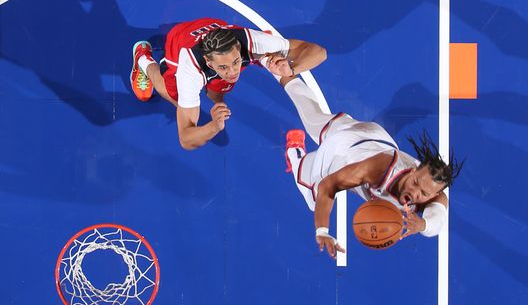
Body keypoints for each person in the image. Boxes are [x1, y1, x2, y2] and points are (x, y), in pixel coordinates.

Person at [280, 76, 464, 259]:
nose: (415, 192)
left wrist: (422, 224)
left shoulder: (433, 194)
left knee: (314, 116)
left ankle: (285, 74)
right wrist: (322, 230)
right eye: (415, 182)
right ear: (414, 171)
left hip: (374, 136)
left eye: (424, 194)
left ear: (433, 195)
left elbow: (437, 221)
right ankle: (296, 155)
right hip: (341, 151)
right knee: (314, 200)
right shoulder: (379, 169)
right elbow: (329, 186)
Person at [130, 18, 327, 150]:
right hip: (180, 42)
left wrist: (292, 69)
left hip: (216, 30)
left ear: (238, 48)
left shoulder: (249, 40)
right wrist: (214, 126)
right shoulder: (190, 70)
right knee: (171, 94)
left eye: (235, 62)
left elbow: (319, 52)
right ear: (209, 63)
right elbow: (186, 139)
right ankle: (143, 58)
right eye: (224, 67)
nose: (232, 72)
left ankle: (262, 57)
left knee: (218, 93)